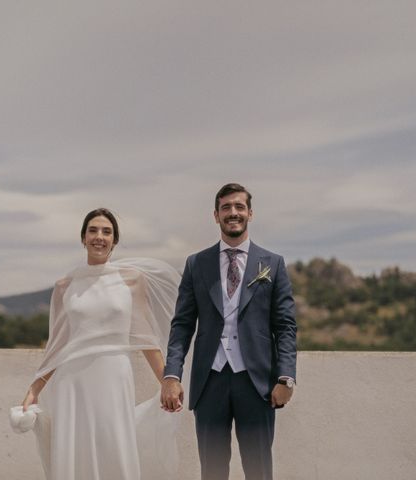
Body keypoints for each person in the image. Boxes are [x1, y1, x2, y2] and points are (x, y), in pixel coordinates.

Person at [21, 208, 181, 480]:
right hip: (73, 380)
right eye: (93, 230)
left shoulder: (132, 280)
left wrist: (167, 380)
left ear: (114, 241)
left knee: (114, 445)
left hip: (113, 376)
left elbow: (145, 336)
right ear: (83, 238)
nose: (99, 236)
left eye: (106, 232)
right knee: (75, 449)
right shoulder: (64, 285)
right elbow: (58, 344)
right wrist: (34, 389)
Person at [161, 183, 297, 480]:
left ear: (250, 213)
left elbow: (285, 326)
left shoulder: (272, 264)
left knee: (259, 469)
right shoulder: (197, 264)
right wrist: (172, 375)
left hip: (257, 382)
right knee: (212, 470)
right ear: (215, 215)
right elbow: (182, 325)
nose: (232, 213)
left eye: (239, 207)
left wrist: (286, 376)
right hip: (210, 381)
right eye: (226, 207)